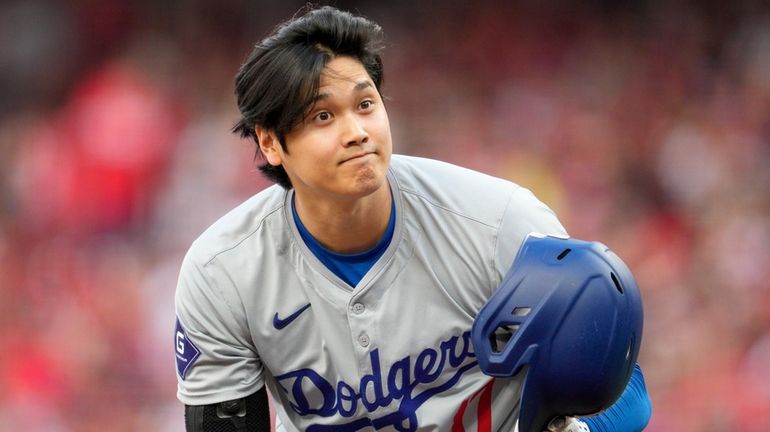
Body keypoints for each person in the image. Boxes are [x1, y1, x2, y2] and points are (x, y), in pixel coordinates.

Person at [174, 6, 652, 431]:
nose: (357, 132)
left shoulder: (497, 224)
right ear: (270, 143)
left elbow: (625, 389)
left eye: (365, 105)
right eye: (323, 117)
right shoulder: (223, 274)